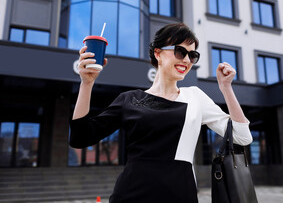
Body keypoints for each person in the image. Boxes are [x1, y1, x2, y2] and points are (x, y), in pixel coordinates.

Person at [69, 23, 253, 203]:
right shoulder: (129, 99)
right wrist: (87, 83)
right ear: (158, 53)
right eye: (180, 51)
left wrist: (226, 88)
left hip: (180, 195)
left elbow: (243, 137)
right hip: (129, 195)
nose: (187, 60)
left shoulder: (195, 97)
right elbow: (80, 137)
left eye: (193, 55)